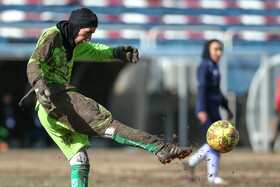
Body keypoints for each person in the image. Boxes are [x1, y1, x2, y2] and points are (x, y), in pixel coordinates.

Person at [22, 8, 192, 187]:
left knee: (80, 159)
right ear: (75, 26)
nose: (89, 37)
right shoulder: (53, 35)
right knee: (105, 124)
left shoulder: (71, 43)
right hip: (56, 99)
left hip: (48, 111)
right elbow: (34, 63)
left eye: (92, 33)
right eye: (87, 32)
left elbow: (94, 50)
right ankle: (160, 147)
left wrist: (116, 52)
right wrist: (40, 85)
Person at [182, 39, 233, 184]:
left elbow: (216, 90)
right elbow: (202, 88)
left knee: (214, 142)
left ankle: (191, 162)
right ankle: (212, 177)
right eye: (215, 49)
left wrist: (226, 107)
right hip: (206, 111)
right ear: (208, 50)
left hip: (214, 110)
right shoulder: (204, 66)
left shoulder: (214, 66)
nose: (219, 52)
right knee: (216, 142)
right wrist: (203, 109)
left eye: (220, 49)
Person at [271, 76, 280, 151]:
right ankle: (272, 143)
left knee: (278, 127)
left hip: (277, 106)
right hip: (278, 106)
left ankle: (272, 142)